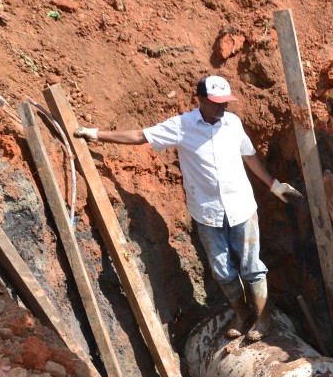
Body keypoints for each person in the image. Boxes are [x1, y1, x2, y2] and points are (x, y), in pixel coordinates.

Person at [75, 74, 300, 341]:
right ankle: (241, 314)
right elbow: (140, 135)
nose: (223, 108)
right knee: (222, 271)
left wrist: (274, 185)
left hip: (242, 208)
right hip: (207, 213)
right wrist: (96, 134)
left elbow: (249, 156)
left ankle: (262, 318)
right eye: (217, 103)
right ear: (201, 100)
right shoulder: (182, 126)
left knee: (252, 265)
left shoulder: (233, 123)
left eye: (226, 102)